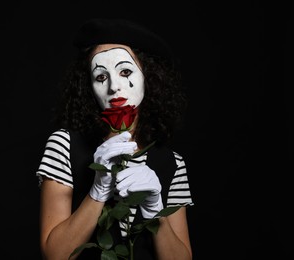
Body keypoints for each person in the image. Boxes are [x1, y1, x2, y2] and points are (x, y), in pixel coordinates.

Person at [36, 18, 194, 260]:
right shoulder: (64, 146)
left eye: (125, 71)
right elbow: (55, 255)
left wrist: (156, 211)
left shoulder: (173, 163)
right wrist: (97, 191)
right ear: (89, 86)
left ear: (148, 78)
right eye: (101, 77)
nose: (113, 87)